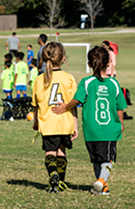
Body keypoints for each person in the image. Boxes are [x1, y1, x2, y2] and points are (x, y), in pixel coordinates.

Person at [52, 46, 127, 195]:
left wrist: (66, 106)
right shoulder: (114, 84)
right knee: (108, 160)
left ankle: (102, 187)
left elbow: (77, 99)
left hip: (91, 129)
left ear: (89, 64)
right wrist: (121, 122)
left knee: (96, 160)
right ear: (108, 64)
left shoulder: (86, 82)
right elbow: (120, 106)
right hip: (109, 129)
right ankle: (101, 181)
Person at [32, 42, 78, 193]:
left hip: (48, 123)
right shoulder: (69, 78)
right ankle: (61, 181)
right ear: (63, 58)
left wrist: (36, 122)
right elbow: (74, 104)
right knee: (61, 151)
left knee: (50, 152)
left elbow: (36, 105)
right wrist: (75, 125)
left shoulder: (39, 80)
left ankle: (52, 175)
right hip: (65, 122)